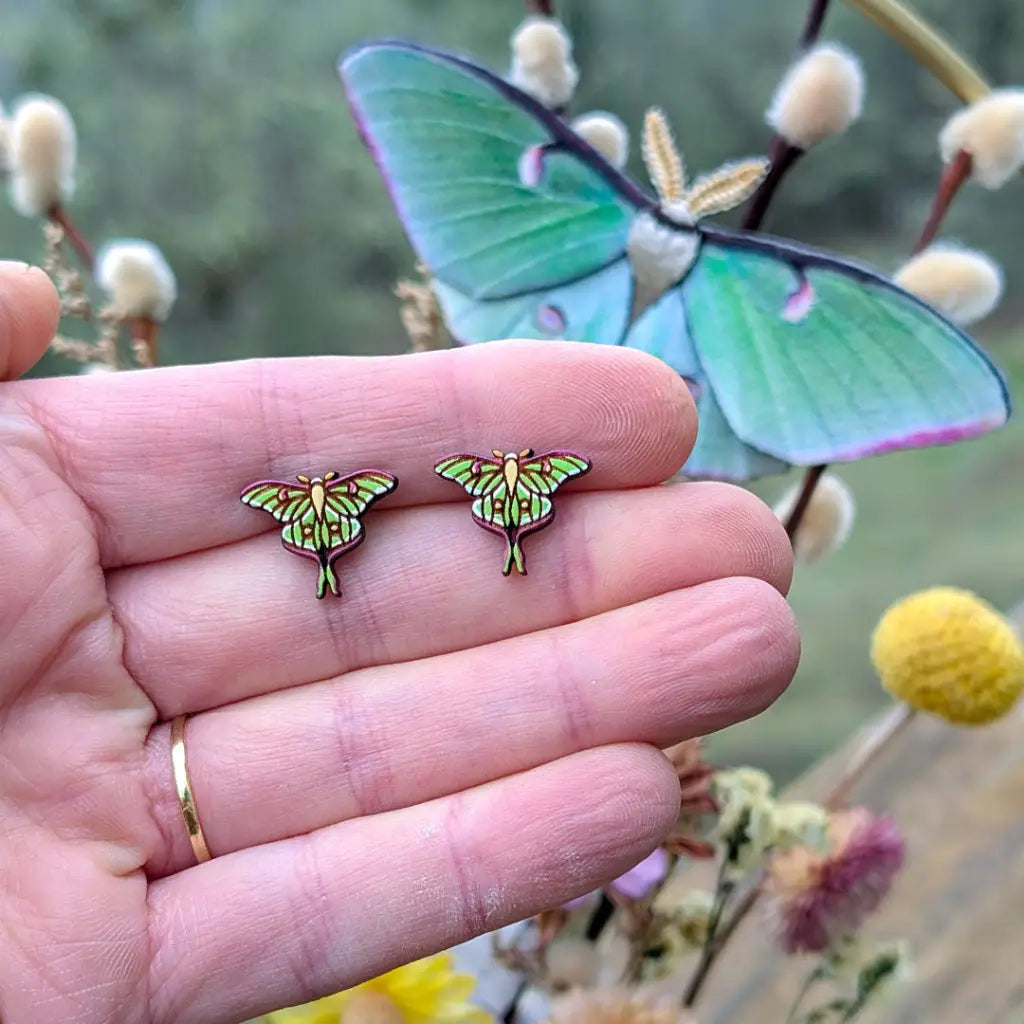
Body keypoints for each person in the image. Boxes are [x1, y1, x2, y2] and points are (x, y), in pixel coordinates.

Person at [0, 260, 798, 1023]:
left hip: (411, 516)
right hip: (359, 525)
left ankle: (421, 548)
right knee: (384, 548)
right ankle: (398, 550)